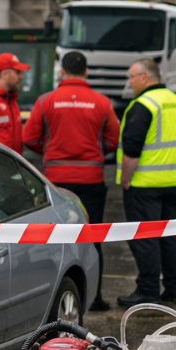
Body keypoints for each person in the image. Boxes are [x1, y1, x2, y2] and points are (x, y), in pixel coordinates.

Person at [22, 51, 120, 311]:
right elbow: (113, 139)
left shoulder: (45, 101)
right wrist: (95, 153)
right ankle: (95, 297)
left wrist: (51, 152)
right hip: (91, 178)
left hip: (56, 180)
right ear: (86, 72)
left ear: (62, 72)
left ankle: (54, 295)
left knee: (57, 238)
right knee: (92, 236)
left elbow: (29, 137)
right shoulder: (102, 102)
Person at [115, 58, 176, 307]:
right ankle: (175, 289)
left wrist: (125, 180)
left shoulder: (143, 105)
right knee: (170, 236)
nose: (130, 82)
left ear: (144, 77)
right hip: (173, 182)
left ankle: (148, 289)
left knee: (145, 237)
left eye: (132, 77)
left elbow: (131, 150)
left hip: (144, 184)